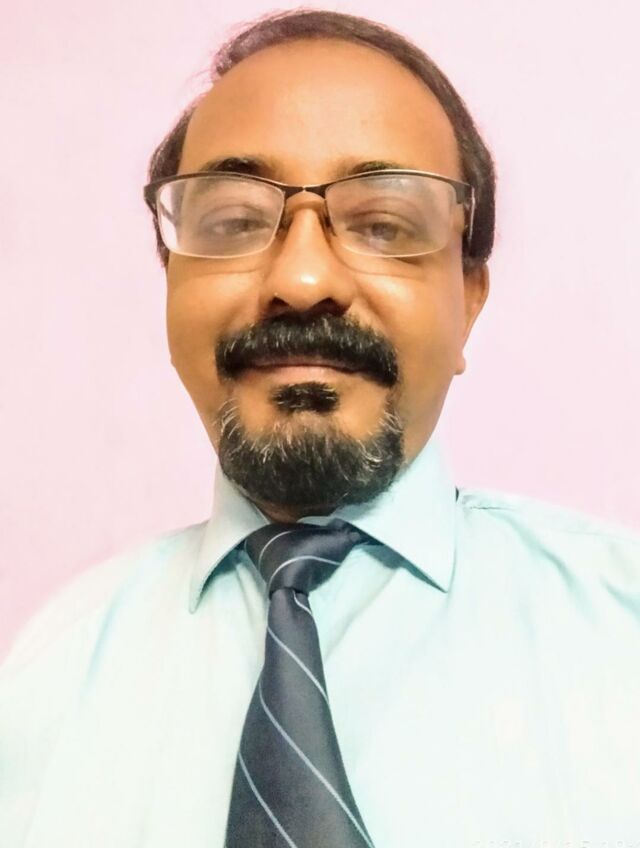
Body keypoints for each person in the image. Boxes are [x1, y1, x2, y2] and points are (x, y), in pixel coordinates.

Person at [1, 8, 638, 847]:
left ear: (469, 301)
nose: (302, 280)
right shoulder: (42, 684)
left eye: (383, 224)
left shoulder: (623, 634)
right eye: (233, 222)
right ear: (172, 284)